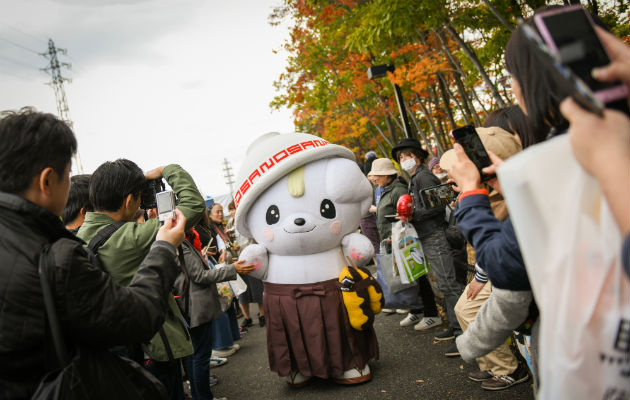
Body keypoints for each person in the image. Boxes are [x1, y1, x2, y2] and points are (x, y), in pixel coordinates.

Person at [0, 108, 187, 399]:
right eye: (67, 175)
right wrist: (164, 247)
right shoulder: (55, 256)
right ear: (47, 181)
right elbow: (136, 318)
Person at [77, 159, 205, 400]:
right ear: (128, 200)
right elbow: (194, 205)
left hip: (115, 353)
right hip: (153, 349)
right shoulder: (132, 237)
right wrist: (169, 170)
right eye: (138, 197)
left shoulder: (78, 238)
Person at [391, 138, 463, 356]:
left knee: (449, 284)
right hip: (426, 235)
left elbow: (439, 203)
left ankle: (463, 332)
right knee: (443, 283)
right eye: (400, 158)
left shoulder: (423, 176)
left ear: (416, 156)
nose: (403, 160)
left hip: (435, 235)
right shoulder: (413, 178)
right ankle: (454, 325)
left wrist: (413, 215)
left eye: (405, 156)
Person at [369, 158, 440, 330]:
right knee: (406, 276)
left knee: (417, 275)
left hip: (402, 240)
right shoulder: (385, 189)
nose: (374, 178)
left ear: (387, 176)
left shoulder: (397, 189)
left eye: (377, 175)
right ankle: (416, 309)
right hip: (391, 239)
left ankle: (432, 314)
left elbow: (407, 212)